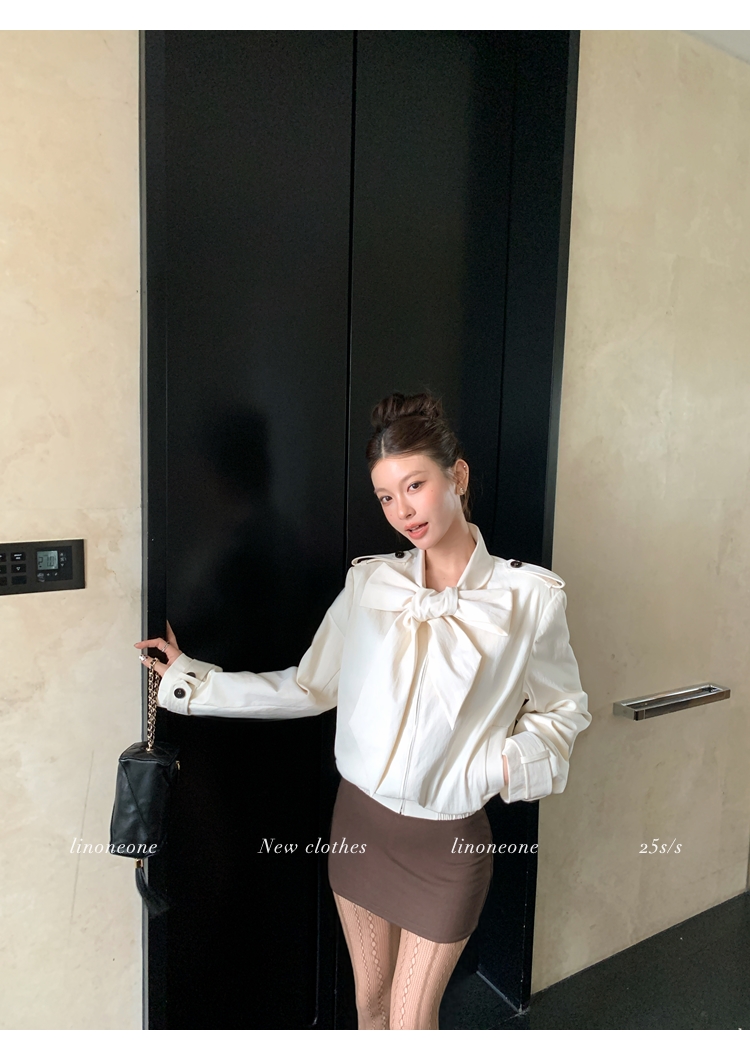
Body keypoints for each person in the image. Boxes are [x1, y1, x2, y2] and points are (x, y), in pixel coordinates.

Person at [136, 391, 591, 1030]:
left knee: (410, 1020)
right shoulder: (370, 582)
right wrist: (194, 682)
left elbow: (564, 710)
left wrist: (496, 767)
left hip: (448, 843)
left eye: (415, 485)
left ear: (457, 476)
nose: (402, 511)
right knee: (370, 1005)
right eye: (385, 497)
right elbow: (310, 687)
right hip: (359, 827)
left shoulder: (530, 598)